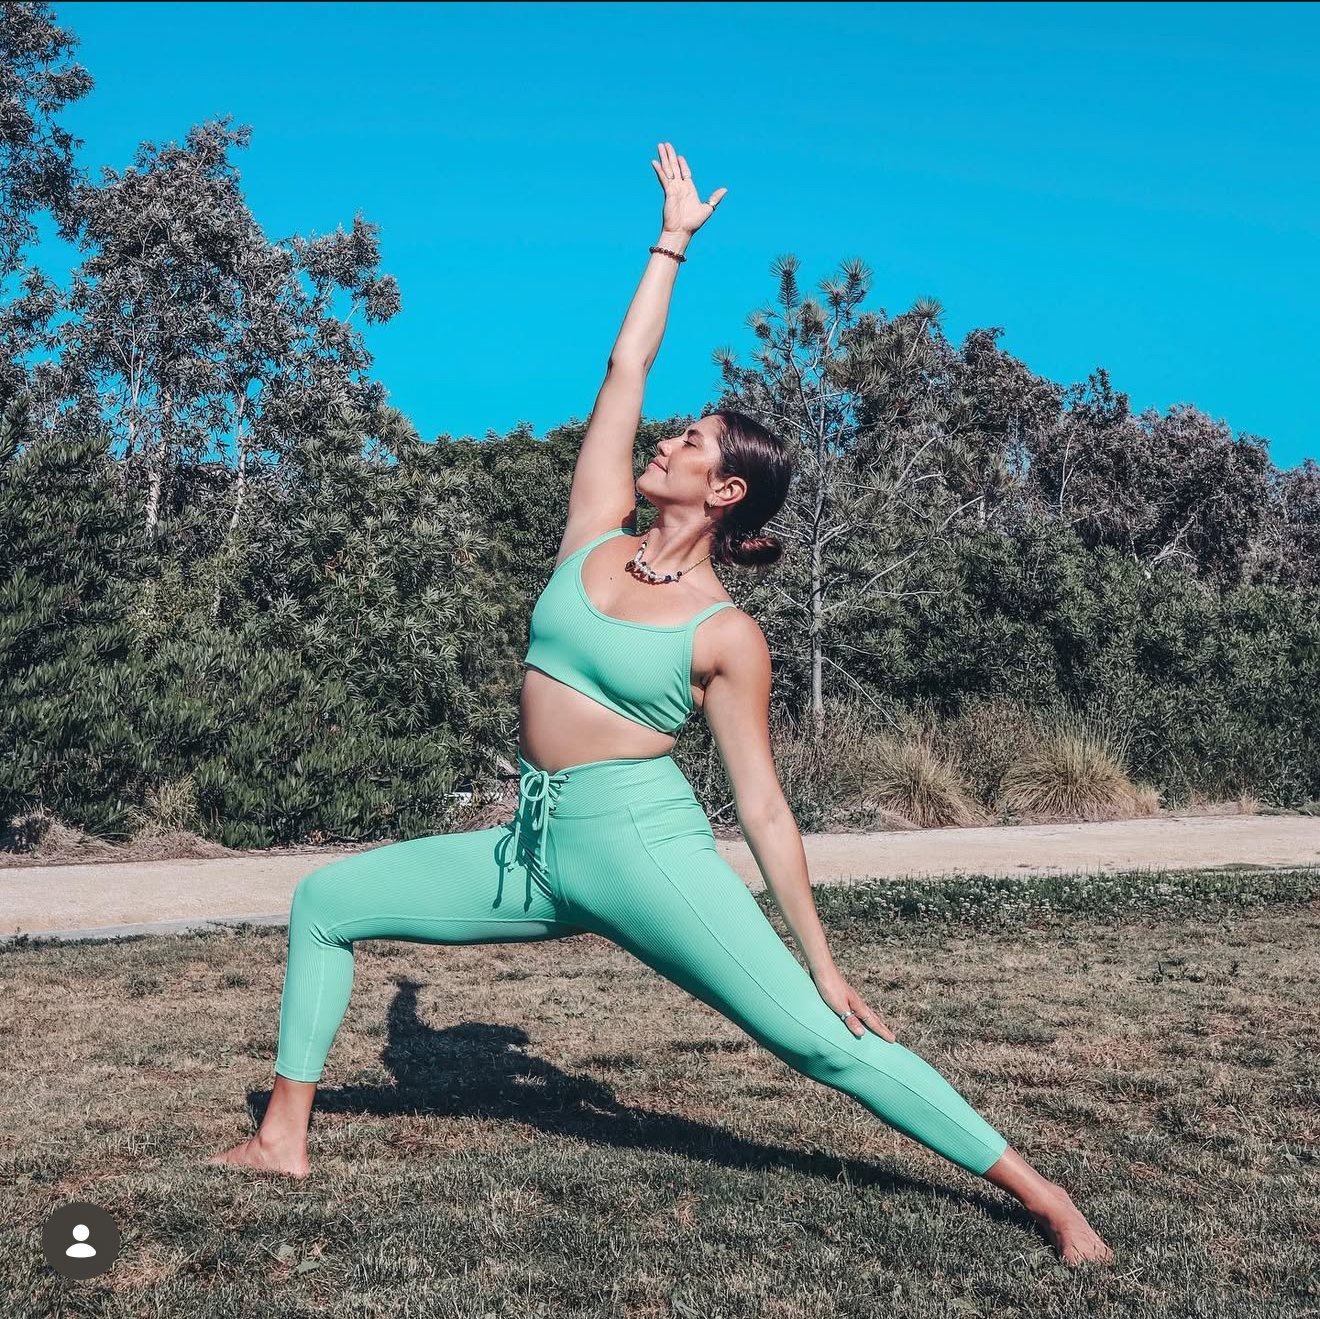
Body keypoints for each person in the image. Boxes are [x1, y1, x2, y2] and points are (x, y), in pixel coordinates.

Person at [210, 141, 1113, 1267]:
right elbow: (621, 371)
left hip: (645, 847)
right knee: (326, 898)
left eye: (691, 441)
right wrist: (671, 240)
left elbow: (766, 807)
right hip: (532, 843)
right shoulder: (593, 529)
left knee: (816, 1041)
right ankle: (283, 1138)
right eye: (675, 430)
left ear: (724, 490)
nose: (667, 439)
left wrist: (823, 958)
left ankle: (1045, 1195)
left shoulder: (727, 633)